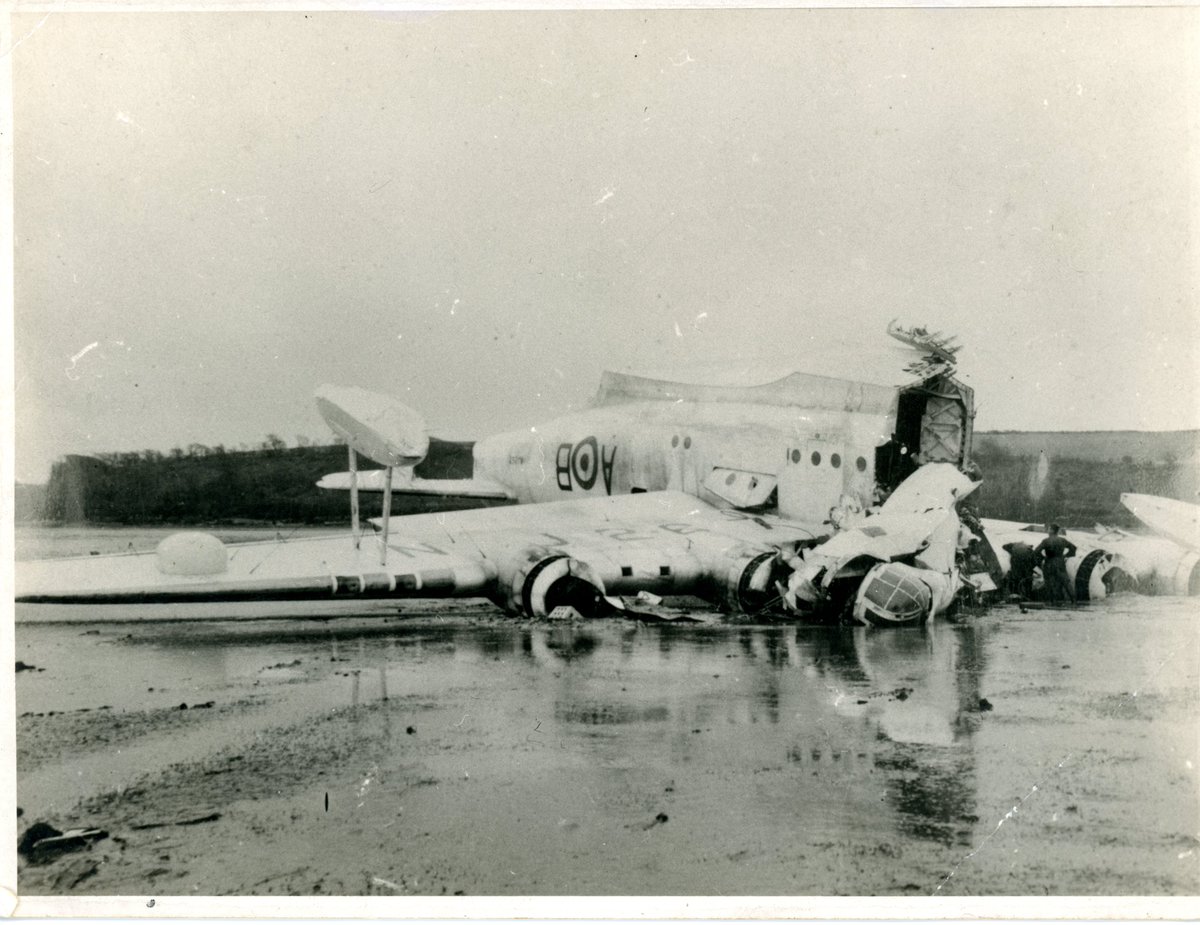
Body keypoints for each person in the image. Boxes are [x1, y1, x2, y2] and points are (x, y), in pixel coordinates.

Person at [1034, 524, 1077, 603]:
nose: (1048, 531)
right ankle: (1073, 600)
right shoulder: (1062, 540)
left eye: (1049, 529)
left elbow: (1036, 551)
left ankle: (1052, 602)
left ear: (1052, 531)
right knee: (1066, 582)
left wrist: (1043, 558)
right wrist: (1065, 556)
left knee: (1049, 582)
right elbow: (1073, 548)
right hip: (1060, 562)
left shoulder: (1046, 541)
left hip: (1049, 563)